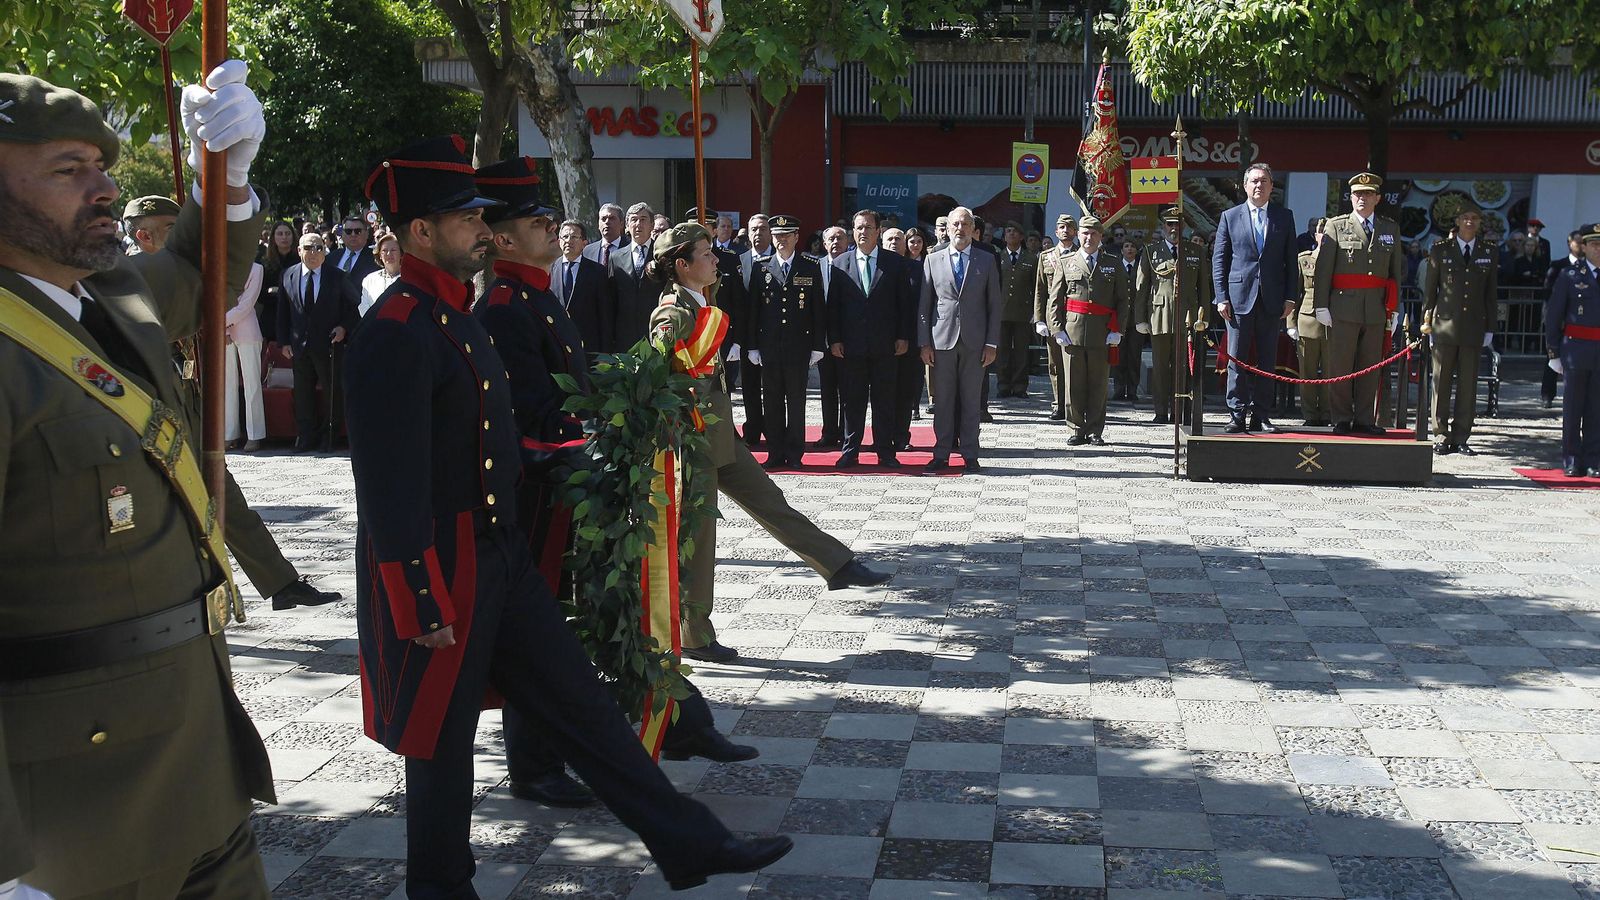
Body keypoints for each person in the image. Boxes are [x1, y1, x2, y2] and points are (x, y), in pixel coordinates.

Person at [345, 137, 793, 896]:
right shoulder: (396, 329)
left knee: (584, 708)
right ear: (420, 232)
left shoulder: (451, 317)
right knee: (442, 750)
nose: (482, 231)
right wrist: (419, 599)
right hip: (443, 569)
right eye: (465, 220)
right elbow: (390, 488)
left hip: (500, 555)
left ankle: (689, 844)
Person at [0, 64, 277, 899]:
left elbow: (202, 259)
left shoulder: (110, 296)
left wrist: (227, 177)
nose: (105, 187)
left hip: (198, 762)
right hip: (78, 818)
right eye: (66, 169)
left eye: (102, 165)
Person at [646, 221, 891, 664]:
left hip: (719, 431)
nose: (716, 259)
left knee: (770, 499)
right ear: (682, 265)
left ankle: (836, 565)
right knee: (699, 541)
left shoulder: (705, 298)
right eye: (705, 254)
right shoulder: (673, 310)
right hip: (692, 438)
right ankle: (695, 635)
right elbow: (664, 369)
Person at [1313, 172, 1406, 436]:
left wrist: (1395, 308)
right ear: (1350, 198)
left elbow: (1394, 272)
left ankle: (1365, 418)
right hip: (1343, 307)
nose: (1362, 199)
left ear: (1377, 198)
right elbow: (1323, 270)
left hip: (1376, 309)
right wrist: (1321, 304)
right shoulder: (1335, 226)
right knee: (1340, 365)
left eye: (1367, 194)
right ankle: (1341, 418)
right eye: (1357, 194)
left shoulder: (1390, 228)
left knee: (1370, 366)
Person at [1213, 162, 1298, 433]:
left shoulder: (1284, 217)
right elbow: (1220, 260)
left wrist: (1290, 298)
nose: (1259, 185)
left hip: (1271, 300)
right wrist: (1221, 297)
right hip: (1238, 299)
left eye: (1264, 181)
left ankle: (1261, 414)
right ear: (1245, 186)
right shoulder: (1230, 216)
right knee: (1236, 358)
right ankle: (1236, 414)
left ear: (1272, 186)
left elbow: (1289, 261)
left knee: (1267, 359)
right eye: (1254, 181)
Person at [829, 209, 915, 467]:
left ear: (878, 231)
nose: (863, 232)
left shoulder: (895, 263)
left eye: (868, 227)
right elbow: (833, 306)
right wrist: (834, 339)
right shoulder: (840, 263)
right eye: (858, 228)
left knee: (884, 401)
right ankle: (850, 450)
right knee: (852, 401)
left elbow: (904, 305)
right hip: (851, 345)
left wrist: (903, 336)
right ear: (852, 232)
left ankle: (885, 452)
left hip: (886, 345)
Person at [919, 205, 1000, 471]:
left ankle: (970, 453)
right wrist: (924, 343)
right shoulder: (933, 259)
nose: (960, 229)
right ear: (947, 227)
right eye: (955, 224)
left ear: (973, 230)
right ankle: (941, 453)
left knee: (970, 400)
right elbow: (925, 305)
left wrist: (991, 343)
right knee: (942, 401)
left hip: (975, 343)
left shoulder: (986, 260)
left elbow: (994, 305)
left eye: (965, 224)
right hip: (941, 341)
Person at [1042, 215, 1130, 445]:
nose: (1088, 237)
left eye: (1093, 233)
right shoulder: (1066, 262)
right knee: (1073, 383)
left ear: (1101, 236)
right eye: (1084, 233)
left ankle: (1094, 430)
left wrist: (1118, 330)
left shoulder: (1112, 262)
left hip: (1102, 332)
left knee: (1099, 384)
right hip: (1072, 332)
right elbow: (1055, 298)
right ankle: (1076, 428)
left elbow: (1122, 300)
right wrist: (1056, 328)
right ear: (1078, 235)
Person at [747, 214, 825, 470]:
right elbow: (754, 310)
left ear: (795, 237)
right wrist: (752, 346)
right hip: (769, 346)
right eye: (777, 236)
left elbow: (817, 309)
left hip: (798, 346)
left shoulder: (809, 266)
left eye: (786, 236)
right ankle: (775, 451)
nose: (781, 241)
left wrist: (817, 346)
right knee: (771, 401)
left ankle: (795, 452)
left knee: (796, 401)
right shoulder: (762, 267)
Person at [1421, 202, 1497, 455]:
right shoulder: (1441, 250)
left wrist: (1490, 327)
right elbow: (1431, 291)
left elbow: (1490, 293)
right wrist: (1427, 321)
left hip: (1474, 326)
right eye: (1465, 217)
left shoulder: (1488, 251)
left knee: (1468, 385)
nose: (1469, 222)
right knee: (1440, 382)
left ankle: (1462, 436)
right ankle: (1440, 434)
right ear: (1457, 221)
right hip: (1444, 325)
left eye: (1474, 218)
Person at [277, 231, 359, 451]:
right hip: (299, 346)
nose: (313, 253)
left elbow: (353, 308)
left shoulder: (337, 276)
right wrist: (283, 341)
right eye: (308, 248)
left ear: (324, 252)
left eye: (318, 248)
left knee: (332, 393)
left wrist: (343, 327)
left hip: (329, 345)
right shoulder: (288, 275)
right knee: (303, 395)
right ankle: (306, 436)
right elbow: (283, 312)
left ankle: (329, 436)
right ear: (299, 251)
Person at [1136, 207, 1210, 425]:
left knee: (1183, 368)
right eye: (1169, 224)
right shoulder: (1151, 251)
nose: (1173, 228)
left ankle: (1179, 411)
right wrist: (1140, 318)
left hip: (1187, 317)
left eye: (1177, 224)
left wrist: (1204, 316)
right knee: (1160, 368)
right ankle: (1160, 411)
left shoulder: (1195, 251)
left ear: (1184, 227)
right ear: (1163, 226)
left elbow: (1203, 287)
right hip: (1159, 315)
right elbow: (1142, 287)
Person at [1545, 224, 1600, 477]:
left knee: (1595, 408)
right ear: (1585, 247)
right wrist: (1553, 351)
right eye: (1595, 245)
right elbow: (1554, 315)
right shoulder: (1569, 275)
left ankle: (1592, 460)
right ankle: (1571, 458)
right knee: (1573, 408)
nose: (1599, 250)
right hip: (1575, 349)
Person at [1034, 214, 1079, 421]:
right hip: (1054, 315)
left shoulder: (1081, 254)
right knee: (1055, 363)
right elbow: (1040, 290)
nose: (1065, 230)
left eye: (1070, 227)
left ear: (1075, 232)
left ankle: (1075, 405)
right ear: (1055, 231)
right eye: (1061, 227)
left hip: (1075, 315)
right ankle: (1058, 404)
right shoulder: (1046, 257)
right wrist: (1039, 319)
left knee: (1075, 363)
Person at [604, 202, 663, 353]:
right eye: (633, 220)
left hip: (656, 335)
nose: (638, 224)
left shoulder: (663, 255)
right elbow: (610, 299)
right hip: (625, 338)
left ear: (651, 225)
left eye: (643, 220)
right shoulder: (615, 257)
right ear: (627, 226)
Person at [735, 212, 773, 446]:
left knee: (773, 386)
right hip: (747, 334)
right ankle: (753, 429)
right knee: (749, 386)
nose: (758, 233)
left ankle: (773, 428)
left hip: (773, 334)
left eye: (762, 229)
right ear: (748, 234)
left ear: (770, 233)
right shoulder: (739, 260)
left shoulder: (779, 259)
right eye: (754, 229)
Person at [1292, 217, 1332, 426]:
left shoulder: (1340, 261)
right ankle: (1309, 414)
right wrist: (1291, 324)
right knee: (1306, 372)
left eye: (1327, 231)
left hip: (1332, 325)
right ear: (1314, 235)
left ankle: (1327, 413)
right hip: (1307, 321)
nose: (1323, 234)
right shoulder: (1304, 259)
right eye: (1320, 231)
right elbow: (1295, 293)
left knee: (1330, 373)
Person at [224, 260, 268, 450]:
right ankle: (229, 433)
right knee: (227, 384)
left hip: (247, 329)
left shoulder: (256, 268)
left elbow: (248, 302)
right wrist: (222, 329)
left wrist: (221, 322)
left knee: (252, 384)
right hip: (222, 332)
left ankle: (255, 434)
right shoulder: (218, 264)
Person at [552, 218, 611, 355]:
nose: (568, 240)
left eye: (574, 237)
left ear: (584, 243)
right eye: (565, 237)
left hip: (588, 347)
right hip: (557, 346)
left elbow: (604, 315)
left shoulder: (598, 272)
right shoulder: (550, 269)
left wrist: (604, 354)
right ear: (559, 241)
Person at [814, 224, 850, 449]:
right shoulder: (814, 267)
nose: (836, 242)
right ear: (824, 244)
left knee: (847, 389)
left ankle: (848, 433)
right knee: (827, 389)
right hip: (822, 338)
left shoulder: (853, 265)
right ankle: (829, 433)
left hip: (848, 338)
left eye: (840, 238)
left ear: (847, 243)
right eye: (831, 239)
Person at [996, 221, 1038, 398]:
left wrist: (1036, 311)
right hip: (1001, 311)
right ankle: (1003, 385)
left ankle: (1020, 386)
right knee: (1002, 350)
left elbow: (1037, 286)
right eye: (1008, 231)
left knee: (1021, 350)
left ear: (1021, 237)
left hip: (1023, 312)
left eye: (1015, 232)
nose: (1011, 234)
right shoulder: (998, 257)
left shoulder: (1031, 258)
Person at [1544, 230, 1586, 408]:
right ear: (1570, 243)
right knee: (1551, 357)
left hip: (1579, 320)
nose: (1580, 245)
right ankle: (1547, 394)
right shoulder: (1558, 265)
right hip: (1559, 318)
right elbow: (1548, 290)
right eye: (1578, 242)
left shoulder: (1589, 267)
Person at [258, 220, 297, 343]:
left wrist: (276, 291)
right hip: (271, 318)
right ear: (273, 238)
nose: (284, 237)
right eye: (280, 234)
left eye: (287, 233)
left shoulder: (301, 261)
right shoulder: (264, 262)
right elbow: (261, 295)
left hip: (295, 319)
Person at [1115, 239, 1144, 402]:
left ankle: (1132, 390)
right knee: (1118, 356)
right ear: (1122, 250)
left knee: (1134, 356)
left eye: (1133, 245)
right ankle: (1119, 389)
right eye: (1126, 246)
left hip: (1135, 320)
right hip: (1118, 320)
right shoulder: (1117, 266)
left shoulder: (1141, 267)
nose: (1130, 248)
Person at [329, 215, 378, 279]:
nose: (353, 235)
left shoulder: (376, 259)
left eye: (358, 231)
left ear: (367, 234)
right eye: (348, 231)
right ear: (342, 234)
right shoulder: (331, 257)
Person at [581, 201, 630, 267]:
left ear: (621, 224)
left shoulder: (630, 248)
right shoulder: (588, 251)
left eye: (612, 218)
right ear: (598, 224)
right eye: (603, 219)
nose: (607, 222)